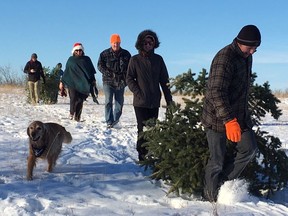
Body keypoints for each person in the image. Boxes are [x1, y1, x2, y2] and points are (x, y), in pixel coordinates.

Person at [201, 25, 261, 202]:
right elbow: (215, 91)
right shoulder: (224, 58)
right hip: (216, 118)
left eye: (255, 49)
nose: (252, 52)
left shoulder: (246, 57)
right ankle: (209, 199)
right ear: (240, 42)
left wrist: (239, 118)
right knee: (217, 161)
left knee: (249, 149)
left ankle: (223, 185)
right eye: (250, 48)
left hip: (239, 116)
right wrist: (229, 120)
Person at [126, 30, 173, 161]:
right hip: (140, 102)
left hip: (154, 100)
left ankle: (150, 152)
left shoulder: (158, 59)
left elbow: (165, 81)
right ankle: (142, 154)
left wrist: (169, 99)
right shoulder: (134, 60)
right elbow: (129, 78)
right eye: (145, 42)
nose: (148, 44)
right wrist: (138, 92)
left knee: (152, 128)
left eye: (150, 42)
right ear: (141, 43)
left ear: (154, 44)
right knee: (142, 128)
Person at [97, 34, 131, 128]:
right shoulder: (104, 54)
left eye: (118, 43)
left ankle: (115, 121)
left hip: (121, 82)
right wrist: (108, 73)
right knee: (108, 101)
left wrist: (127, 79)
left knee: (119, 103)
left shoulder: (126, 54)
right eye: (114, 43)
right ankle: (109, 121)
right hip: (108, 81)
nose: (116, 45)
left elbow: (130, 67)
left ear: (120, 43)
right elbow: (100, 66)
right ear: (111, 43)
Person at [60, 42, 96, 122]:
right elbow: (67, 71)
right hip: (72, 83)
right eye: (77, 50)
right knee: (73, 98)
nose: (79, 52)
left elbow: (90, 71)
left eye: (80, 50)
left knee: (80, 100)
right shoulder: (71, 60)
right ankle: (72, 113)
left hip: (83, 84)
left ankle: (77, 117)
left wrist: (93, 81)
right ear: (74, 51)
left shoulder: (86, 59)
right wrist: (62, 82)